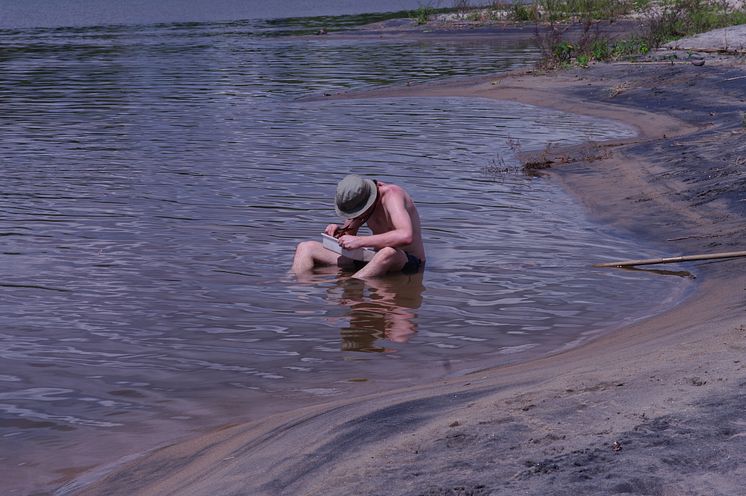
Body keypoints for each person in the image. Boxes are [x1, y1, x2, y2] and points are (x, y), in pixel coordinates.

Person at [291, 174, 426, 279]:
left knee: (387, 252)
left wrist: (360, 241)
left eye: (358, 212)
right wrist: (338, 232)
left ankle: (352, 283)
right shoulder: (357, 199)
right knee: (305, 247)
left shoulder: (392, 195)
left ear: (369, 201)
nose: (355, 215)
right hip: (372, 260)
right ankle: (294, 286)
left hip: (407, 261)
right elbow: (349, 238)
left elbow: (406, 236)